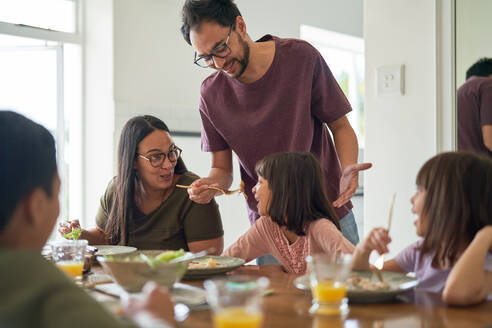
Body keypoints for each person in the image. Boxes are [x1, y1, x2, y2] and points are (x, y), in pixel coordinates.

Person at [180, 0, 371, 250]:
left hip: (327, 207)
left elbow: (341, 126)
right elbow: (222, 171)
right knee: (274, 290)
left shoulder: (301, 57)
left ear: (240, 25)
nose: (217, 63)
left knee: (347, 285)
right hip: (270, 224)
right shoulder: (211, 95)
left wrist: (347, 167)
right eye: (206, 58)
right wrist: (209, 186)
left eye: (221, 48)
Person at [0, 111, 175, 328]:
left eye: (171, 154)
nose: (168, 164)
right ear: (35, 206)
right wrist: (155, 318)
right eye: (57, 192)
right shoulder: (39, 283)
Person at [59, 115, 224, 254]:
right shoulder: (117, 189)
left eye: (171, 153)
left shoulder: (194, 193)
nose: (168, 165)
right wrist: (79, 234)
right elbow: (104, 237)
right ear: (133, 162)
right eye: (156, 157)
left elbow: (208, 259)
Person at [351, 151, 492, 305]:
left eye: (419, 190)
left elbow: (456, 293)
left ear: (446, 201)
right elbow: (363, 279)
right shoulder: (422, 251)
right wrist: (363, 250)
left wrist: (484, 236)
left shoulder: (486, 261)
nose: (412, 199)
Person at [223, 152, 355, 274]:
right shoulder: (267, 226)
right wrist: (268, 271)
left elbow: (358, 265)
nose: (253, 189)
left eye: (260, 182)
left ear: (282, 189)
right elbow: (224, 263)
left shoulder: (319, 228)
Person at [457, 57, 492, 156]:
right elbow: (490, 140)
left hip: (462, 165)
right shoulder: (488, 85)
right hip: (484, 167)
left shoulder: (459, 92)